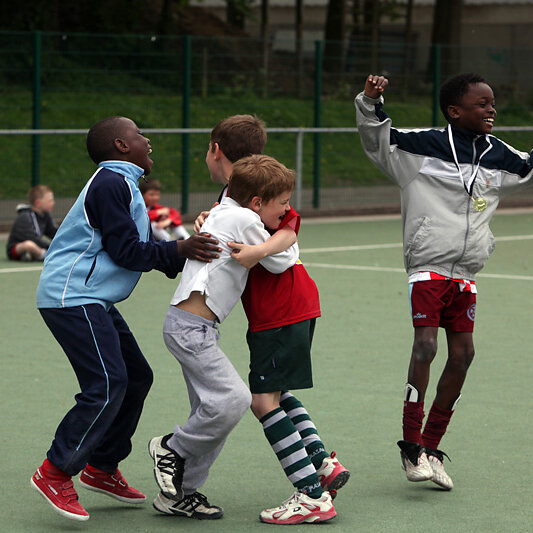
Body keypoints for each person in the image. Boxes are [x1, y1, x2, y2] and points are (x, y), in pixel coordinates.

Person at [30, 115, 221, 522]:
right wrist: (180, 251)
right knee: (107, 383)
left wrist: (184, 256)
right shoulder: (110, 183)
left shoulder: (124, 184)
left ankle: (101, 466)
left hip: (92, 299)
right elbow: (127, 252)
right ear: (120, 145)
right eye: (138, 135)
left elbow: (142, 245)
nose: (147, 141)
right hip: (72, 297)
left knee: (136, 377)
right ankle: (55, 471)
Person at [355, 73, 533, 490]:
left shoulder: (499, 154)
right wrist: (369, 102)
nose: (491, 109)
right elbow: (378, 139)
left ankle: (432, 448)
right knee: (426, 345)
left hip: (466, 272)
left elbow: (529, 166)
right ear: (454, 111)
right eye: (482, 103)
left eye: (492, 102)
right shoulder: (420, 147)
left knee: (464, 355)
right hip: (428, 265)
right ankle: (410, 445)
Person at [148, 155, 306, 521]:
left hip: (192, 327)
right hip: (191, 329)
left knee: (210, 412)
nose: (286, 212)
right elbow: (285, 259)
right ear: (257, 202)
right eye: (282, 204)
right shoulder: (246, 220)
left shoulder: (225, 211)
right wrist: (281, 239)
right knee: (234, 400)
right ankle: (171, 448)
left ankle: (180, 494)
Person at [228, 200, 350, 524]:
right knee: (276, 392)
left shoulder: (252, 199)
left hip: (279, 314)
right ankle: (321, 463)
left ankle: (312, 496)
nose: (286, 208)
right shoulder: (244, 202)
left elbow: (288, 237)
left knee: (262, 402)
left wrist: (258, 251)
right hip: (294, 307)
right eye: (282, 201)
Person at [193, 114, 267, 232]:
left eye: (209, 148)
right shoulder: (230, 192)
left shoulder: (261, 191)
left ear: (216, 150)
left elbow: (289, 230)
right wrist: (211, 220)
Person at [6, 184, 57, 261]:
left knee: (33, 246)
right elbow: (33, 239)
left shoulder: (45, 216)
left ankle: (29, 255)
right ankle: (47, 256)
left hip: (35, 245)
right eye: (50, 200)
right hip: (17, 248)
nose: (53, 203)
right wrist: (52, 248)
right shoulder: (25, 217)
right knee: (29, 245)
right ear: (38, 203)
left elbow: (54, 233)